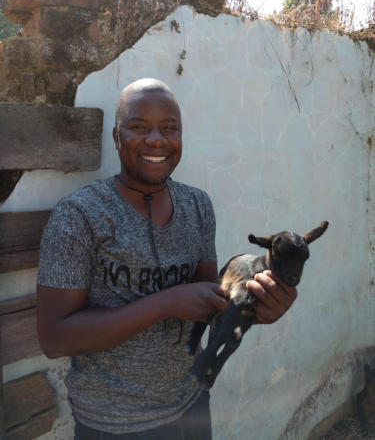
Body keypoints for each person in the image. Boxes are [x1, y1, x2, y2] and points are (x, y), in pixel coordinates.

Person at [37, 78, 297, 440]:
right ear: (116, 137)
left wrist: (257, 306)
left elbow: (211, 300)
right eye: (139, 127)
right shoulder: (79, 215)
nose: (157, 139)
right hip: (113, 424)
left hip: (191, 406)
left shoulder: (197, 206)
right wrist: (165, 303)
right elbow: (54, 338)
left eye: (169, 128)